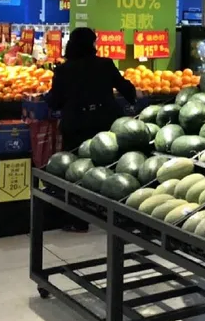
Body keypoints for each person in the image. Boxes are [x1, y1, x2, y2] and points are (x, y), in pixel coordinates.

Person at [46, 28, 137, 231]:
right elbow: (127, 89)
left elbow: (55, 102)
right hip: (104, 124)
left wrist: (46, 97)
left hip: (76, 125)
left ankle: (78, 219)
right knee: (108, 166)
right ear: (91, 44)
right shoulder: (105, 64)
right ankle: (112, 215)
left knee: (76, 170)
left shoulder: (63, 70)